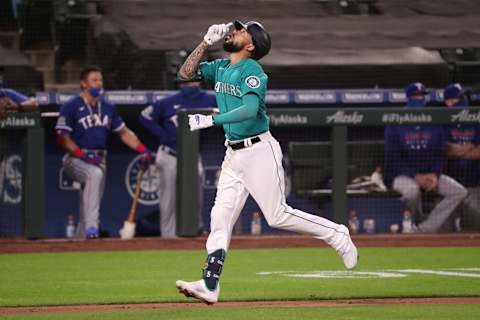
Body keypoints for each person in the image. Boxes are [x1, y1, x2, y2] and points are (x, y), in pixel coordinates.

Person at [175, 21, 358, 305]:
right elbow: (185, 74)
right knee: (219, 218)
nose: (233, 31)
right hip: (232, 154)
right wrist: (204, 43)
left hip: (259, 150)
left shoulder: (253, 70)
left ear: (250, 46)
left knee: (276, 215)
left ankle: (336, 233)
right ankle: (209, 284)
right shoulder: (222, 66)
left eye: (242, 30)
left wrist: (212, 119)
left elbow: (248, 111)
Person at [55, 66, 154, 239]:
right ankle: (92, 230)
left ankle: (81, 240)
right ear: (83, 83)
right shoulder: (71, 105)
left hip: (100, 158)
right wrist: (82, 155)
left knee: (91, 201)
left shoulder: (107, 106)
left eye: (100, 80)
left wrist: (142, 149)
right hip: (75, 158)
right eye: (94, 80)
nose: (99, 83)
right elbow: (62, 137)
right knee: (94, 175)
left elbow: (124, 132)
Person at [138, 76, 216, 238]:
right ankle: (168, 236)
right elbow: (144, 117)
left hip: (192, 154)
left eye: (194, 79)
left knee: (196, 195)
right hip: (169, 154)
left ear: (200, 80)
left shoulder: (210, 99)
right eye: (187, 80)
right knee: (168, 198)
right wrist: (163, 135)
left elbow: (228, 110)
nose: (191, 83)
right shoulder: (168, 101)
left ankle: (196, 228)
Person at [384, 82, 467, 233]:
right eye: (416, 96)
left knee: (459, 191)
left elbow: (440, 154)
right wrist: (416, 176)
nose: (419, 99)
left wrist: (435, 175)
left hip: (430, 174)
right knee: (412, 191)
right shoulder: (396, 121)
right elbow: (392, 160)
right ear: (408, 98)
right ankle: (414, 222)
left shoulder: (434, 120)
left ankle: (424, 229)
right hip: (402, 175)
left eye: (422, 95)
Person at [443, 83, 480, 230]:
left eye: (462, 97)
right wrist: (471, 146)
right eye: (457, 98)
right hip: (449, 186)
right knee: (444, 234)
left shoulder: (476, 120)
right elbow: (446, 150)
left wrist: (458, 151)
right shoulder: (443, 120)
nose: (462, 100)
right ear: (448, 102)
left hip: (474, 185)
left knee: (474, 231)